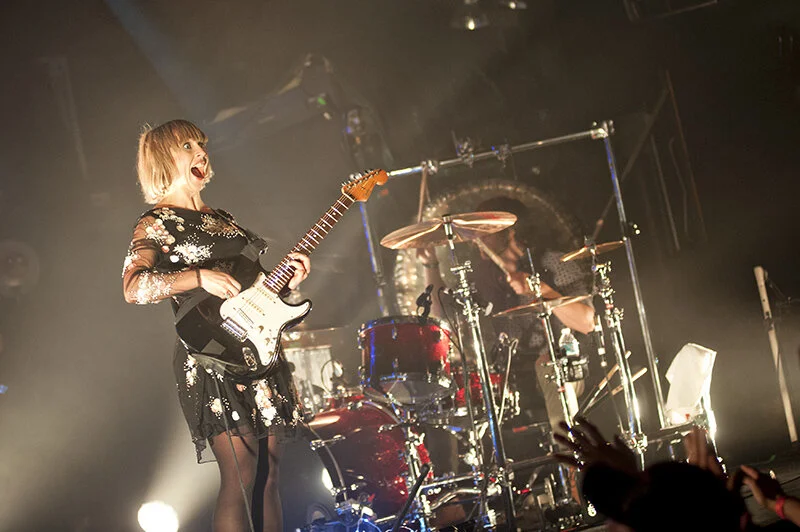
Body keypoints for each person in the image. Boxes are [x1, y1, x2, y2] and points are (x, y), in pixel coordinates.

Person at [122, 119, 311, 532]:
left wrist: (288, 280)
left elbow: (255, 285)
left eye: (201, 144)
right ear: (162, 158)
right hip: (211, 357)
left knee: (270, 473)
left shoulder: (224, 219)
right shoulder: (155, 224)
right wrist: (197, 277)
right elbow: (134, 287)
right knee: (241, 472)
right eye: (187, 145)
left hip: (258, 348)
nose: (200, 152)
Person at [419, 196, 595, 439]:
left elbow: (587, 322)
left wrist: (540, 289)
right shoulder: (480, 276)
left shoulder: (554, 262)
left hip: (564, 364)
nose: (478, 240)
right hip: (506, 372)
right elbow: (443, 319)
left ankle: (573, 460)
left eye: (486, 231)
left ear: (509, 231)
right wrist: (430, 265)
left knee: (547, 364)